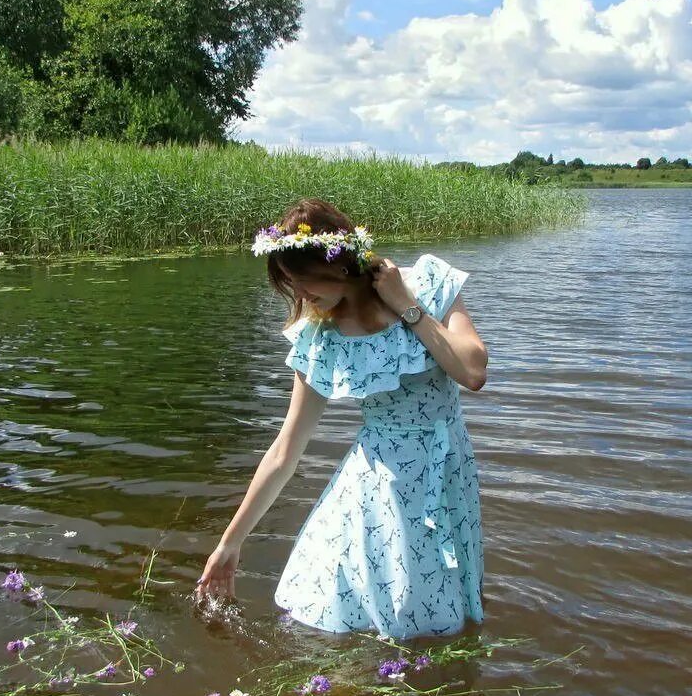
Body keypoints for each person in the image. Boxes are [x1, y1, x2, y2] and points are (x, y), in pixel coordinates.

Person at [192, 197, 489, 639]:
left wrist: (408, 307)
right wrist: (229, 543)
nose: (300, 296)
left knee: (432, 611)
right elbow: (285, 450)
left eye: (305, 281)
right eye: (292, 284)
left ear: (340, 266)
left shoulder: (428, 283)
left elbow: (472, 371)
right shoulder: (321, 339)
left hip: (446, 469)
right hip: (379, 485)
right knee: (367, 612)